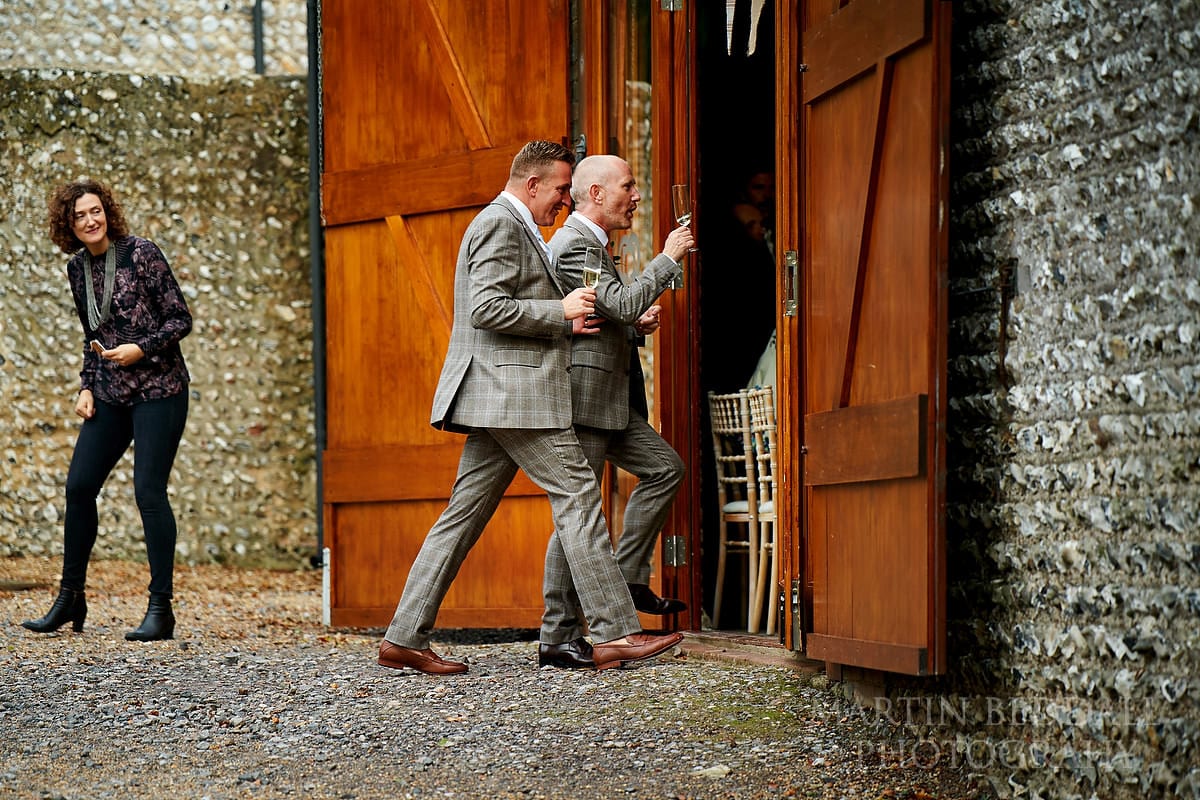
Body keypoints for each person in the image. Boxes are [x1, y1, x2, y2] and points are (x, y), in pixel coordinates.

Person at [376, 141, 682, 675]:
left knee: (462, 517)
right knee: (579, 493)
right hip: (511, 395)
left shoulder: (514, 226)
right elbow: (487, 307)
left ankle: (404, 637)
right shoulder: (500, 223)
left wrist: (570, 321)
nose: (565, 203)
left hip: (498, 395)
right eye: (562, 190)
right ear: (533, 183)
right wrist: (559, 311)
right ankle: (615, 632)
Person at [537, 155, 694, 670]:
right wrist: (668, 258)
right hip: (585, 403)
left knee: (664, 468)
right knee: (576, 514)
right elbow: (620, 303)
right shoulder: (576, 244)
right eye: (629, 185)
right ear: (597, 194)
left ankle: (623, 580)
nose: (637, 195)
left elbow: (610, 310)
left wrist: (632, 325)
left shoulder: (593, 246)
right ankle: (558, 634)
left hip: (610, 404)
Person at [24, 179, 192, 641]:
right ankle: (70, 597)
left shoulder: (142, 253)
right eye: (79, 215)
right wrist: (87, 386)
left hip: (160, 389)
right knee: (79, 487)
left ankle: (161, 609)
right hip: (111, 392)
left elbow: (181, 319)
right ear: (68, 224)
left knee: (149, 492)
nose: (89, 221)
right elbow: (91, 334)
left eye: (95, 211)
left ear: (107, 213)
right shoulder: (76, 269)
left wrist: (142, 348)